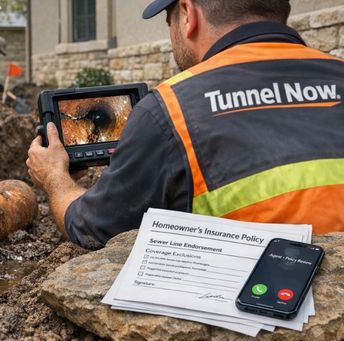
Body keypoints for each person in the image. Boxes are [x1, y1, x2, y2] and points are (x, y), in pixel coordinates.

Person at [27, 0, 344, 249]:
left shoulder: (169, 109)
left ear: (188, 15)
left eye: (169, 22)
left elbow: (94, 228)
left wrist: (55, 178)